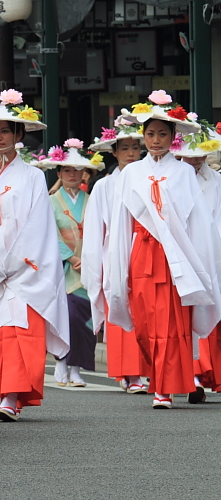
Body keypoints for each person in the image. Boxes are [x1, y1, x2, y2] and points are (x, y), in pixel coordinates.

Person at [0, 89, 69, 422]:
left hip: (23, 267)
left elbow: (38, 225)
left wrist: (15, 263)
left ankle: (10, 395)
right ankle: (12, 392)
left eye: (5, 131)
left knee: (20, 330)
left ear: (19, 135)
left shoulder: (34, 176)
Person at [108, 90, 221, 409]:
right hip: (142, 254)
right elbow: (121, 222)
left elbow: (197, 222)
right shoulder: (131, 172)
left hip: (176, 256)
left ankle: (165, 389)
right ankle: (158, 378)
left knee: (172, 325)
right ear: (143, 136)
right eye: (150, 133)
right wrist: (118, 266)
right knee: (144, 325)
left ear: (173, 137)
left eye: (162, 134)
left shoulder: (184, 172)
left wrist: (202, 263)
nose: (155, 139)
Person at [82, 119, 149, 393]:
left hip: (144, 250)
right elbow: (96, 228)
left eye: (135, 147)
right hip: (114, 253)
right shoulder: (104, 186)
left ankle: (150, 368)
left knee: (147, 310)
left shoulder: (149, 179)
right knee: (120, 305)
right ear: (114, 151)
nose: (131, 153)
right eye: (125, 148)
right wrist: (95, 264)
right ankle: (130, 372)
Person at [39, 139, 105, 387]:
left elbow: (100, 230)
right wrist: (70, 256)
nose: (72, 175)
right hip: (63, 268)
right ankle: (61, 361)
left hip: (86, 267)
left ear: (83, 173)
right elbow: (47, 233)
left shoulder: (92, 200)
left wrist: (87, 257)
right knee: (64, 315)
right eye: (67, 170)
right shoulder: (51, 200)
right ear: (59, 173)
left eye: (77, 170)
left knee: (84, 319)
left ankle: (77, 368)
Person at [172, 123, 221, 402]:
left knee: (206, 313)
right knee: (182, 317)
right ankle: (190, 373)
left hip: (210, 252)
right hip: (180, 252)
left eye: (201, 152)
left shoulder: (216, 180)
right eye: (190, 154)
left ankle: (203, 373)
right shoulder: (173, 178)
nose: (196, 159)